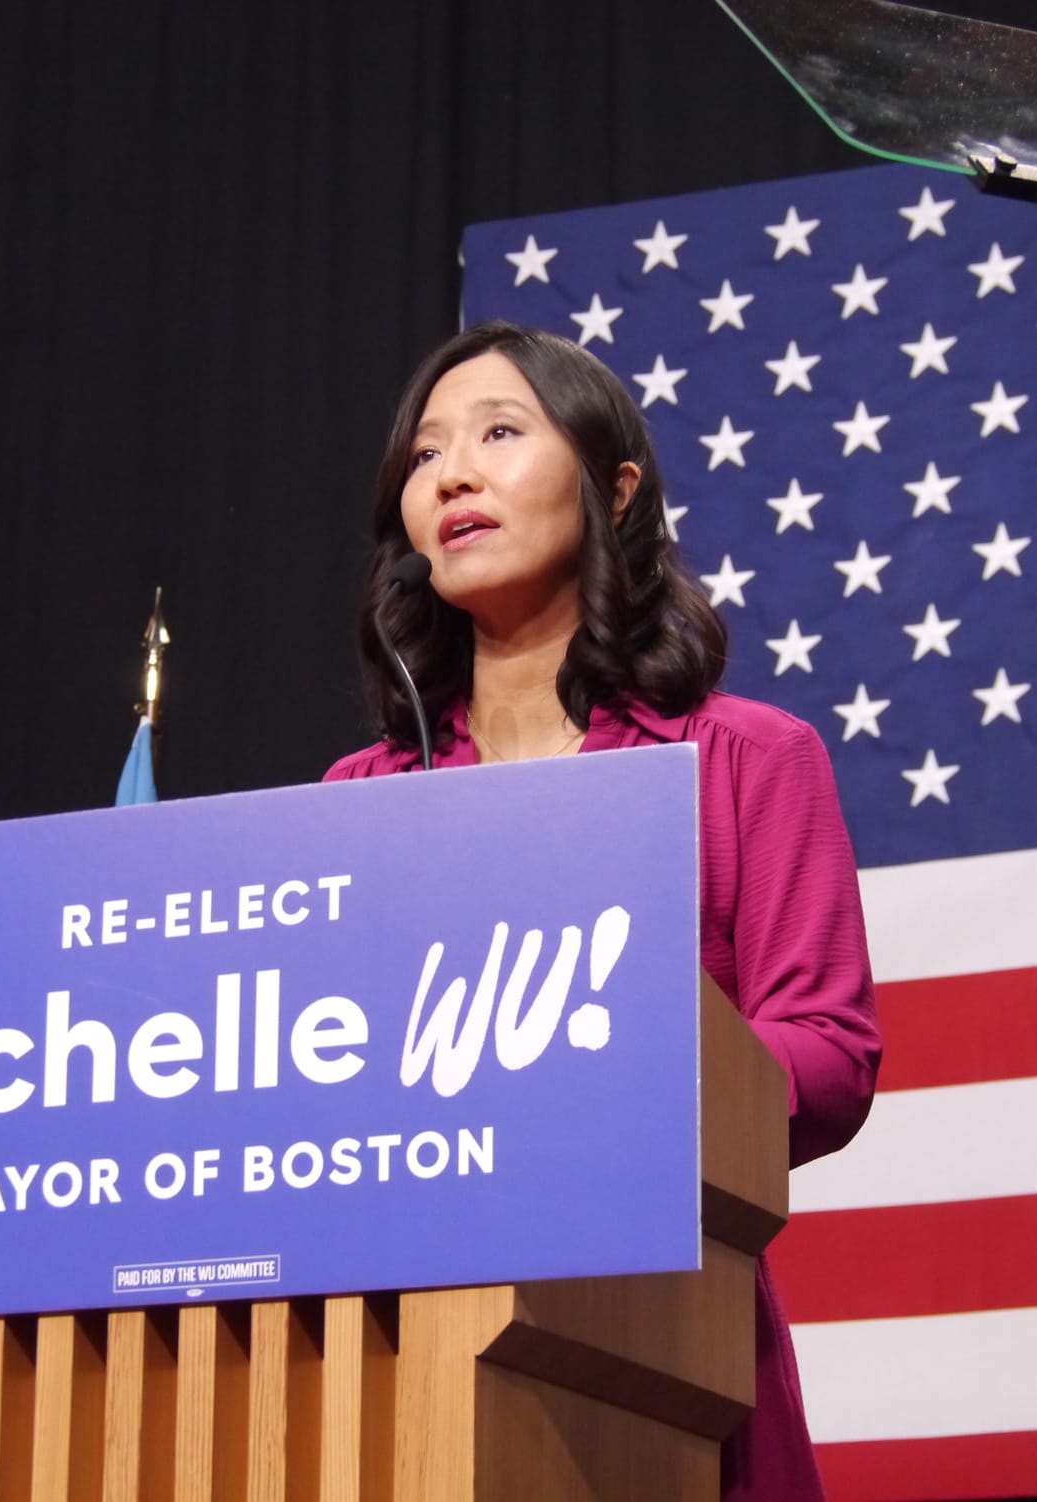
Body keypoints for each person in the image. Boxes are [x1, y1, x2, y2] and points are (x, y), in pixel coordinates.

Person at [325, 321, 881, 1500]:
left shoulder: (743, 758)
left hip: (656, 1338)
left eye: (497, 433)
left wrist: (602, 1080)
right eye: (425, 455)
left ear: (613, 487)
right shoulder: (355, 800)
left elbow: (825, 1056)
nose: (453, 474)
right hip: (394, 1349)